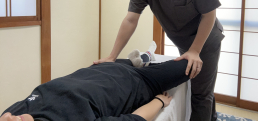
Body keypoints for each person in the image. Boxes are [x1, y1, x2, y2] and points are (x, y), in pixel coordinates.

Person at [93, 0, 225, 120]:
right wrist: (112, 56)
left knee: (200, 92)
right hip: (182, 41)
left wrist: (195, 50)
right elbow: (130, 20)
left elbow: (209, 14)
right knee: (200, 83)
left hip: (206, 40)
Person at [1, 49, 190, 121]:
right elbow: (135, 120)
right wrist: (159, 101)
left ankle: (144, 57)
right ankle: (144, 59)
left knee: (133, 59)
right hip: (138, 81)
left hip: (96, 70)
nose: (11, 118)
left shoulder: (13, 113)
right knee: (188, 65)